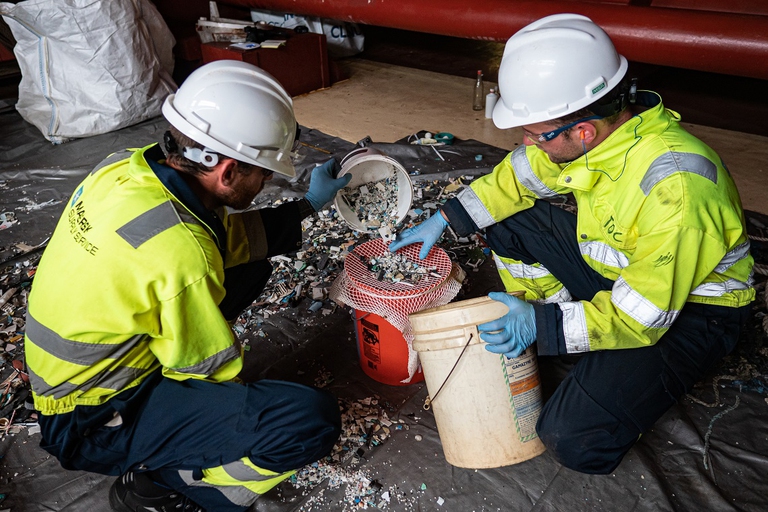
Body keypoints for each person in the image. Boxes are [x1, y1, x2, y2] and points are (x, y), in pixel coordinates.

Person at [390, 14, 755, 474]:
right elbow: (520, 176)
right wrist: (446, 218)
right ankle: (564, 325)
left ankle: (567, 338)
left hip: (690, 311)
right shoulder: (602, 139)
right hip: (626, 280)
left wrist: (545, 327)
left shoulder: (678, 189)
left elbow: (642, 315)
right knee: (508, 220)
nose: (525, 143)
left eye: (535, 133)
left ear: (582, 130)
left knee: (571, 438)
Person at [24, 60, 351, 512]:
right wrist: (233, 416)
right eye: (264, 172)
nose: (268, 181)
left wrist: (307, 207)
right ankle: (169, 484)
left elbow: (215, 239)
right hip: (93, 421)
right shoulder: (183, 254)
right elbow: (207, 367)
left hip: (73, 375)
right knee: (307, 421)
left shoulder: (125, 169)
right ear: (228, 171)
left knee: (251, 267)